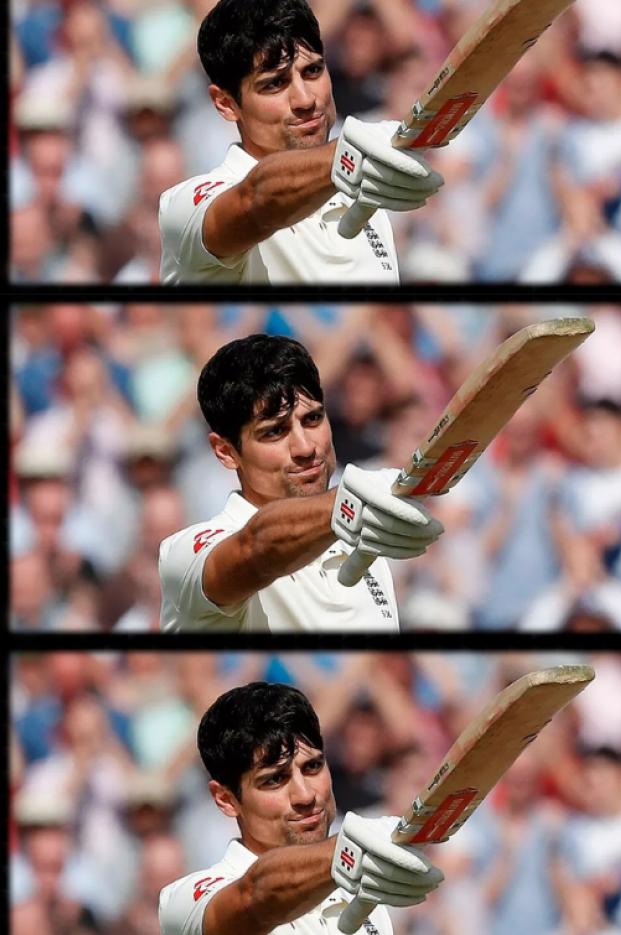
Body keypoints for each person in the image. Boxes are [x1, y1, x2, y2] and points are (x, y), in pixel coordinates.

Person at [158, 334, 443, 632]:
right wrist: (348, 504)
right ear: (226, 452)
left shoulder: (363, 542)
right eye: (274, 432)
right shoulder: (183, 553)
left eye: (313, 419)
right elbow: (255, 548)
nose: (306, 447)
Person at [158, 0, 443, 285]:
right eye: (274, 84)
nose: (306, 99)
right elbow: (255, 200)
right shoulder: (183, 207)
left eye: (313, 71)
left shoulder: (361, 190)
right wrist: (347, 157)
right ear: (225, 103)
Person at [158, 681, 444, 935]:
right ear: (226, 799)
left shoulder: (364, 900)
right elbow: (254, 896)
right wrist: (346, 851)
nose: (306, 795)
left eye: (313, 767)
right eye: (275, 779)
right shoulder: (184, 903)